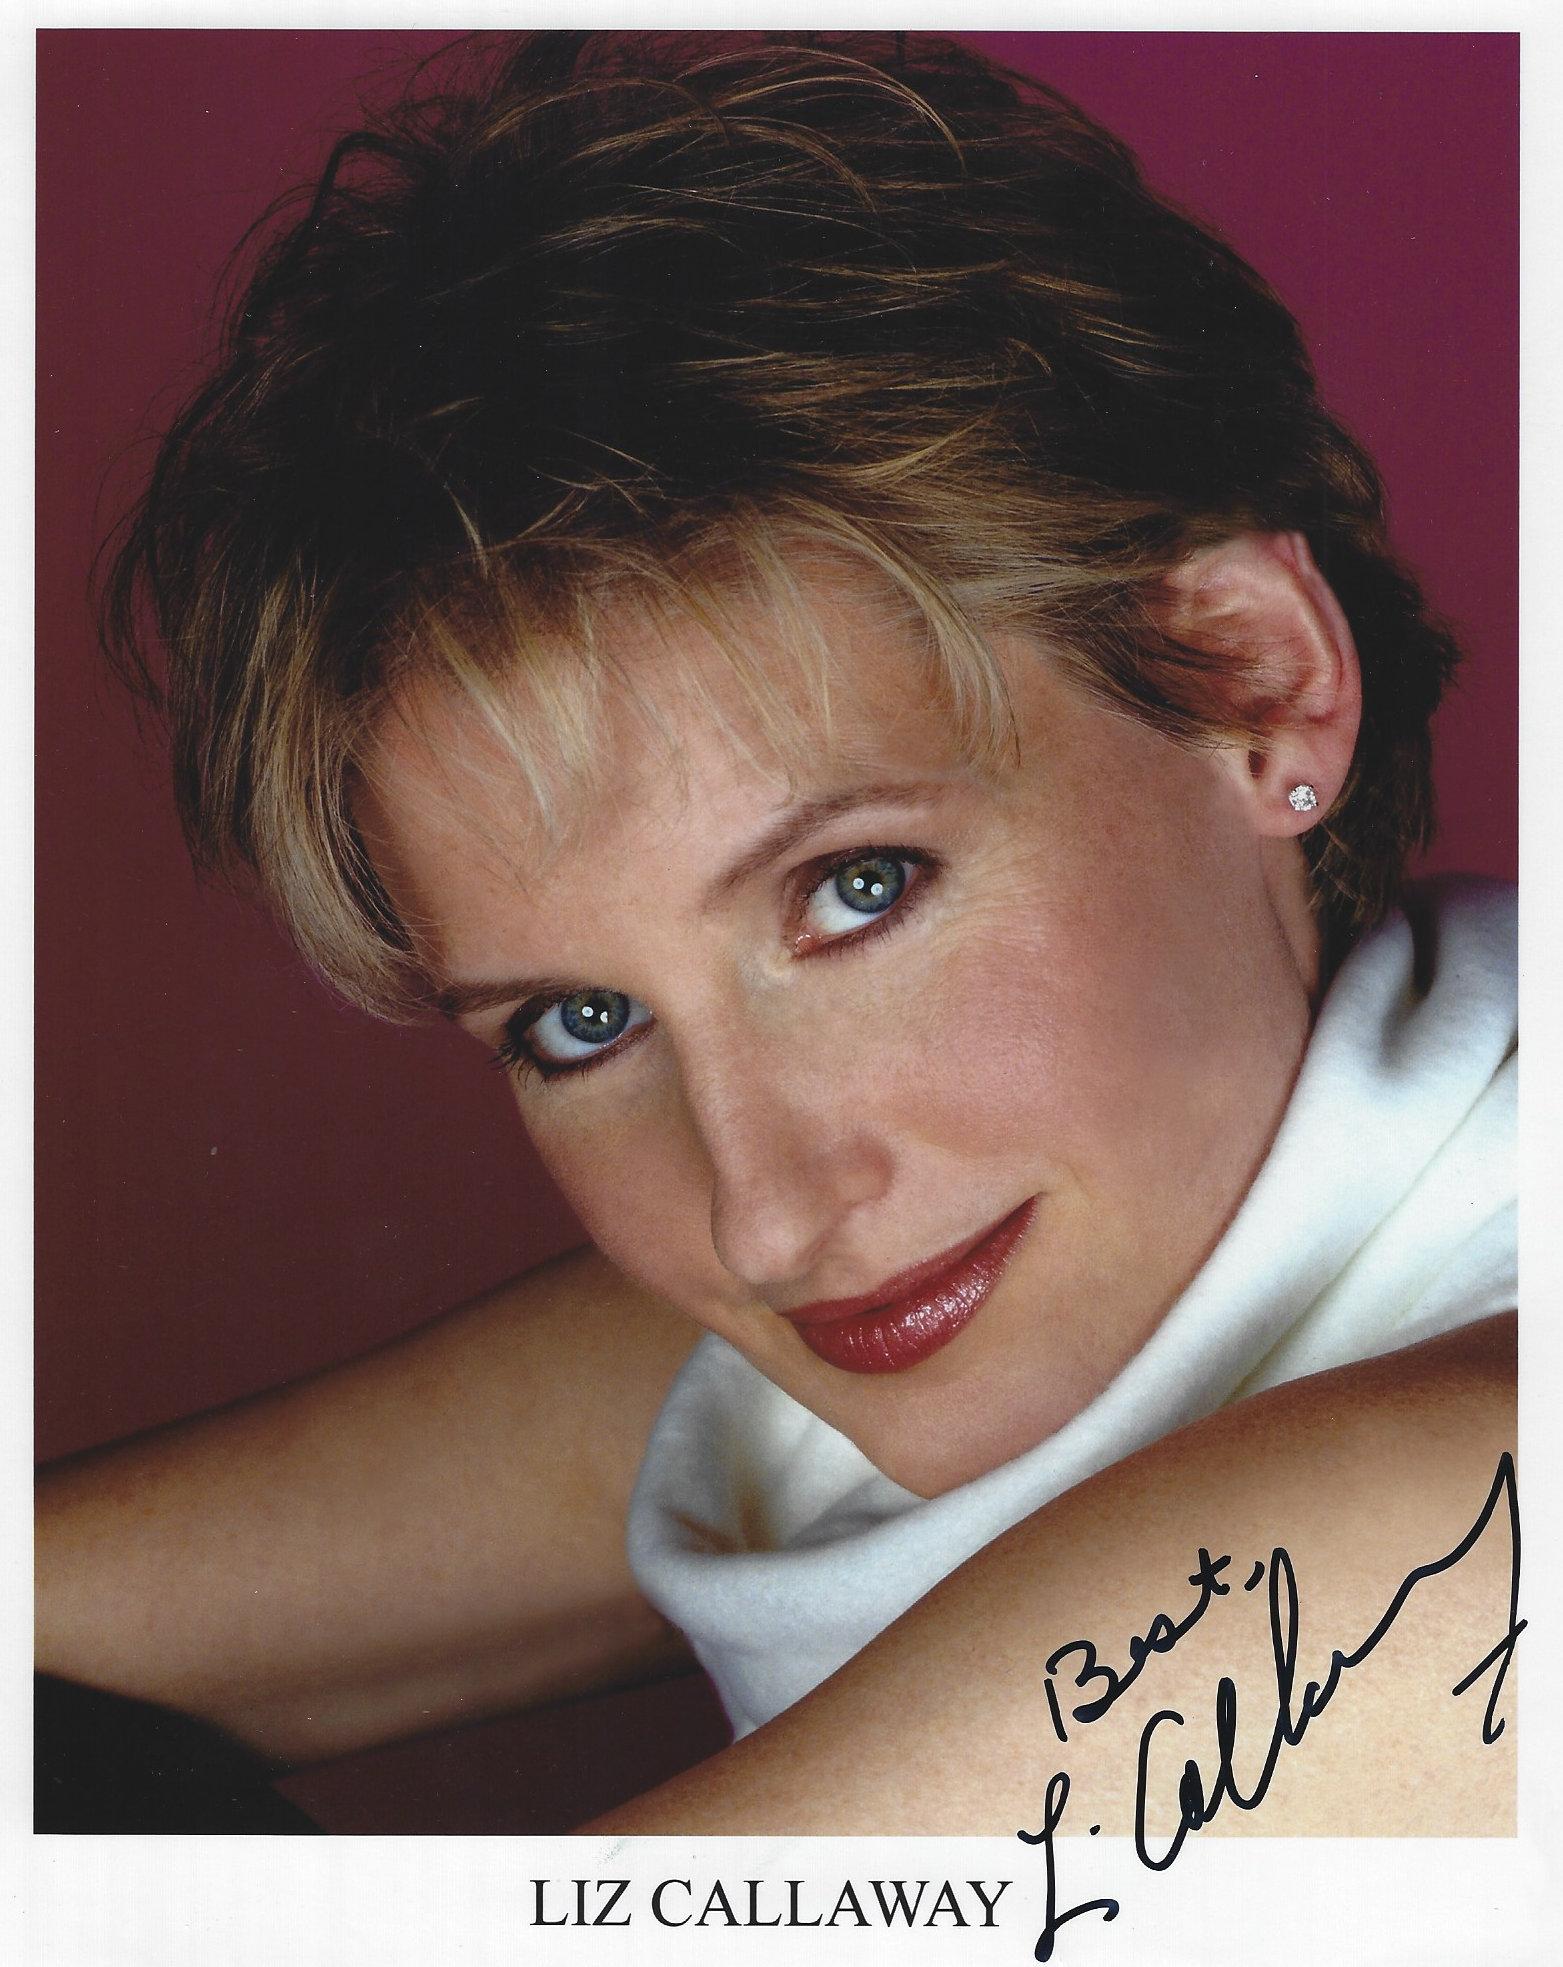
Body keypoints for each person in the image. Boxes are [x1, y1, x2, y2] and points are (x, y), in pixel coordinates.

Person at [37, 31, 1516, 1838]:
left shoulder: (1470, 1514)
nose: (762, 1214)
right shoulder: (967, 1283)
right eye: (581, 1022)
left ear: (1249, 683)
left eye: (857, 890)